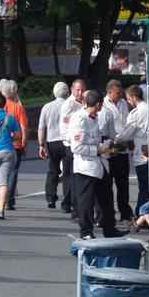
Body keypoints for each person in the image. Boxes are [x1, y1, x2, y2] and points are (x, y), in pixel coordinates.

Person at [70, 90, 123, 239]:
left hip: (99, 164)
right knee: (86, 200)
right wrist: (97, 149)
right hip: (86, 166)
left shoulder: (94, 117)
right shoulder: (80, 119)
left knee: (106, 196)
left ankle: (109, 227)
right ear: (98, 104)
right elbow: (77, 147)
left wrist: (105, 146)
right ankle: (86, 231)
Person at [117, 84, 149, 221]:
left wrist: (115, 139)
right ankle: (141, 213)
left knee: (144, 187)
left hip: (142, 153)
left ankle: (142, 215)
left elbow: (126, 134)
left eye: (129, 99)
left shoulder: (136, 113)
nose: (128, 102)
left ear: (134, 97)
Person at [102, 79, 133, 221]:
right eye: (117, 92)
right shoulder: (103, 105)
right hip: (110, 146)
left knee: (123, 184)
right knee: (107, 184)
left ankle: (125, 211)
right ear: (109, 92)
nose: (120, 94)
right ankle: (108, 212)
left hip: (123, 146)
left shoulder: (123, 103)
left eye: (121, 91)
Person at [38, 81, 70, 209]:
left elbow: (41, 128)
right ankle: (67, 202)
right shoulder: (69, 106)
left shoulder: (47, 107)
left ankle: (51, 198)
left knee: (53, 169)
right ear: (67, 92)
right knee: (68, 172)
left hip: (52, 141)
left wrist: (41, 144)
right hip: (66, 141)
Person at [59, 79, 87, 217]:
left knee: (76, 177)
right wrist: (74, 140)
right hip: (71, 145)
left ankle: (73, 204)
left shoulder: (84, 102)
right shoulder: (69, 104)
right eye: (77, 90)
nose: (80, 93)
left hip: (81, 144)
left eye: (82, 90)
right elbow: (64, 128)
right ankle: (70, 204)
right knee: (72, 177)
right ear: (72, 89)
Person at [1, 79, 28, 210]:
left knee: (0, 173)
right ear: (14, 92)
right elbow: (23, 128)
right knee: (13, 172)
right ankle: (9, 200)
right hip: (15, 144)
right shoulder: (17, 108)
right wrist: (25, 144)